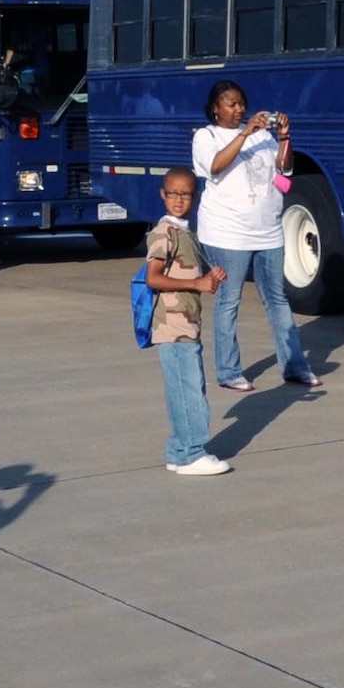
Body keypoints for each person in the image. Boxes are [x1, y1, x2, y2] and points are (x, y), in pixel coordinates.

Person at [191, 80, 318, 391]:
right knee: (229, 299)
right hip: (227, 233)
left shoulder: (264, 137)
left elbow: (284, 170)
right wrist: (244, 133)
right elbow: (216, 167)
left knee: (277, 298)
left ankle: (294, 366)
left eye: (241, 103)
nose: (239, 109)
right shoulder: (206, 137)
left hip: (269, 230)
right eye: (231, 104)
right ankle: (228, 371)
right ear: (215, 109)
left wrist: (284, 137)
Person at [145, 167, 231, 476]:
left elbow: (194, 276)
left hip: (186, 325)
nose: (179, 200)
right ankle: (192, 452)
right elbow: (153, 278)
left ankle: (178, 451)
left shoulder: (185, 233)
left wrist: (210, 278)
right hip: (173, 326)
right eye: (173, 194)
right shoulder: (164, 233)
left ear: (194, 198)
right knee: (189, 389)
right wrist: (197, 285)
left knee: (185, 387)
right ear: (162, 195)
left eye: (185, 194)